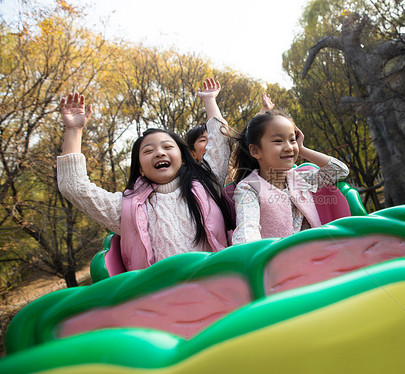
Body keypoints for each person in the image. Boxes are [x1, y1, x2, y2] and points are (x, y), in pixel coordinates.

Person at [57, 78, 234, 271]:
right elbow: (73, 186)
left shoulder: (207, 182)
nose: (159, 153)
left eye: (167, 147)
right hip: (163, 296)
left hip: (218, 283)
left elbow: (219, 143)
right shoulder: (126, 208)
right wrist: (74, 130)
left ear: (183, 158)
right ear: (140, 168)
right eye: (148, 151)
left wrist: (209, 100)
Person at [230, 108, 349, 244]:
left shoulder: (299, 179)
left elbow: (339, 170)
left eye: (292, 140)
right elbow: (247, 231)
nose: (289, 147)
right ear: (255, 150)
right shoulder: (249, 188)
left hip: (316, 252)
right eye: (278, 141)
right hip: (278, 260)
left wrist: (302, 149)